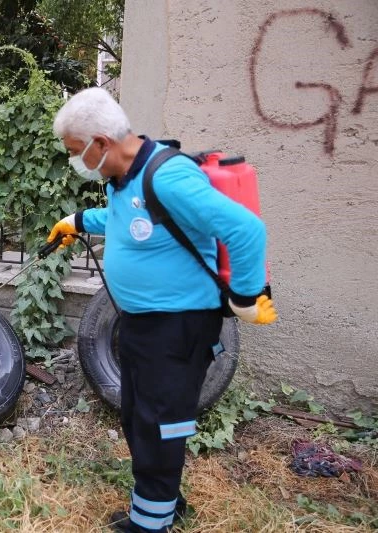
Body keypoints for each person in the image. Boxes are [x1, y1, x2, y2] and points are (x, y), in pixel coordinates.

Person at [47, 87, 277, 532]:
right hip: (142, 324)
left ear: (101, 142)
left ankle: (150, 524)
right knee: (139, 415)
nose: (74, 160)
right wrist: (77, 222)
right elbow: (130, 221)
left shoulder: (168, 177)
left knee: (159, 424)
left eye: (75, 151)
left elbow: (246, 230)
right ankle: (162, 503)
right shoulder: (123, 177)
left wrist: (245, 298)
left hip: (178, 327)